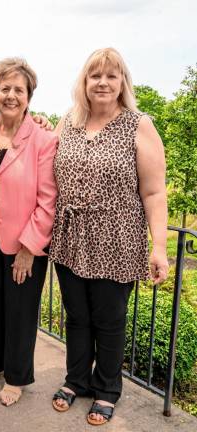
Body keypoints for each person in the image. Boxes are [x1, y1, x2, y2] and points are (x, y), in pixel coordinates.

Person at [49, 48, 168, 426]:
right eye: (94, 75)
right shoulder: (67, 121)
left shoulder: (138, 124)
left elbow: (154, 192)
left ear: (122, 83)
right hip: (71, 236)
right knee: (77, 317)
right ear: (84, 82)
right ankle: (76, 381)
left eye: (111, 76)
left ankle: (106, 390)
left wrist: (160, 247)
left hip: (117, 237)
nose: (102, 82)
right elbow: (44, 160)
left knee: (109, 319)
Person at [0, 57, 58, 407]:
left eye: (18, 90)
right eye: (4, 88)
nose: (11, 95)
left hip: (24, 241)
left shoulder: (42, 138)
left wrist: (29, 248)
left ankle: (17, 376)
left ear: (29, 97)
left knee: (20, 309)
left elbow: (48, 200)